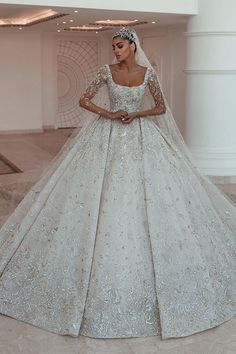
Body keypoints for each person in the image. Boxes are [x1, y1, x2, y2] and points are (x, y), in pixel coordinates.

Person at [0, 27, 235, 340]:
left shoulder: (148, 74)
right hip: (105, 135)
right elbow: (84, 99)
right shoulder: (105, 71)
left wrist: (136, 114)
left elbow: (161, 107)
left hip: (141, 134)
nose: (115, 50)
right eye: (113, 46)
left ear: (133, 46)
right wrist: (108, 113)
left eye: (120, 45)